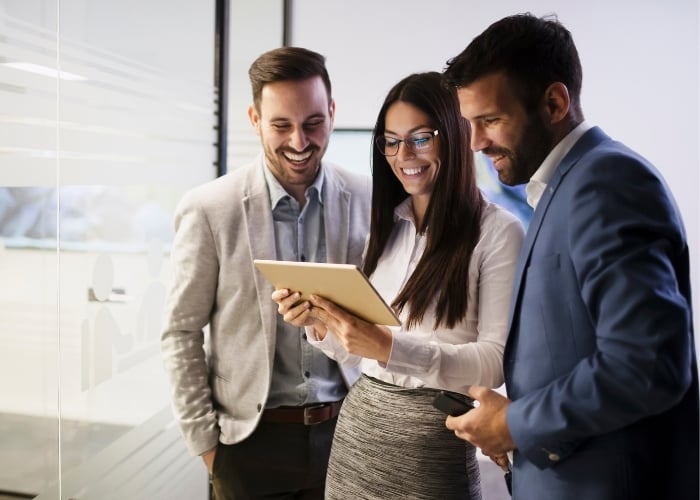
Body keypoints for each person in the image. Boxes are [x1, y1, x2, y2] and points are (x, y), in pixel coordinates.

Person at [442, 13, 699, 500]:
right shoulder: (560, 187)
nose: (475, 143)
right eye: (469, 124)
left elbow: (647, 363)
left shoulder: (607, 184)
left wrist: (516, 424)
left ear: (555, 102)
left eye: (491, 121)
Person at [273, 71, 524, 499]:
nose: (402, 154)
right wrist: (320, 324)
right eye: (391, 141)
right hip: (358, 440)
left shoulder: (498, 232)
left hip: (431, 449)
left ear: (457, 134)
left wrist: (389, 347)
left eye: (420, 138)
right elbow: (360, 351)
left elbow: (494, 363)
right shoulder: (389, 225)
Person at [160, 46, 371, 499]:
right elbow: (180, 332)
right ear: (255, 119)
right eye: (281, 125)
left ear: (332, 112)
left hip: (350, 435)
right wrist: (208, 447)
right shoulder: (209, 209)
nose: (299, 142)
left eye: (313, 123)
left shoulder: (368, 199)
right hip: (248, 447)